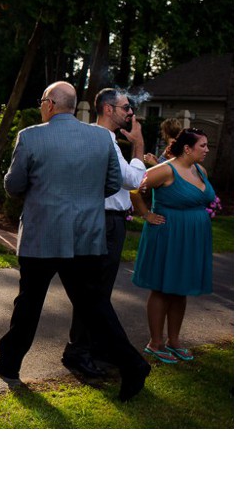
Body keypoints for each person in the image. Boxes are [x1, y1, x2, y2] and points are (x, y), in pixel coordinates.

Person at [0, 82, 150, 401]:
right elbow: (114, 183)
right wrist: (85, 202)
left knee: (29, 302)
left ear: (49, 104)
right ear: (74, 106)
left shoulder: (31, 136)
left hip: (42, 235)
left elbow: (13, 184)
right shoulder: (101, 137)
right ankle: (132, 364)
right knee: (94, 306)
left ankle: (9, 363)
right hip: (86, 235)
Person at [59, 88, 151, 377]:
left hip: (106, 219)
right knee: (94, 291)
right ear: (108, 109)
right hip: (104, 220)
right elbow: (134, 180)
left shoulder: (102, 139)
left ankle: (95, 347)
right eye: (126, 108)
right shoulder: (103, 140)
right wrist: (138, 145)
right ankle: (78, 351)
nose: (131, 114)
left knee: (99, 290)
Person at [132, 128, 216, 365]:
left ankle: (174, 340)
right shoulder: (164, 170)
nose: (207, 150)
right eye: (203, 146)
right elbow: (134, 188)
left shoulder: (200, 171)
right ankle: (155, 342)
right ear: (187, 148)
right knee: (162, 287)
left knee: (181, 288)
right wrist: (146, 214)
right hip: (168, 234)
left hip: (193, 236)